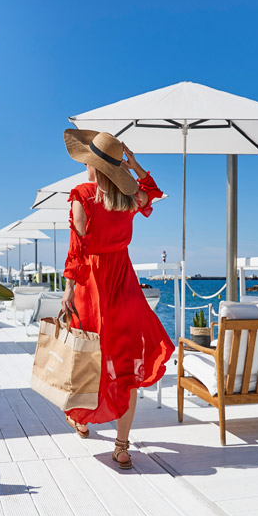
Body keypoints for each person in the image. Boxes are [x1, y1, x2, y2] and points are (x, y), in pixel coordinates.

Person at [61, 129, 173, 470]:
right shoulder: (129, 198)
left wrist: (68, 292)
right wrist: (135, 166)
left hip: (92, 285)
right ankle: (122, 446)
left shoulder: (82, 194)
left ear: (92, 165)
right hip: (123, 283)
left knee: (87, 355)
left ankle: (82, 420)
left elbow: (77, 250)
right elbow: (153, 192)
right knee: (124, 365)